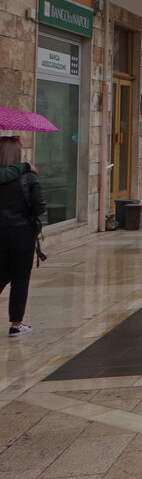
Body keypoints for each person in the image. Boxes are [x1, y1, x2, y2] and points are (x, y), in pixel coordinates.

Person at [0, 137, 44, 336]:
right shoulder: (29, 178)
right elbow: (38, 207)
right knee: (20, 279)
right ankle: (16, 324)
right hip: (22, 234)